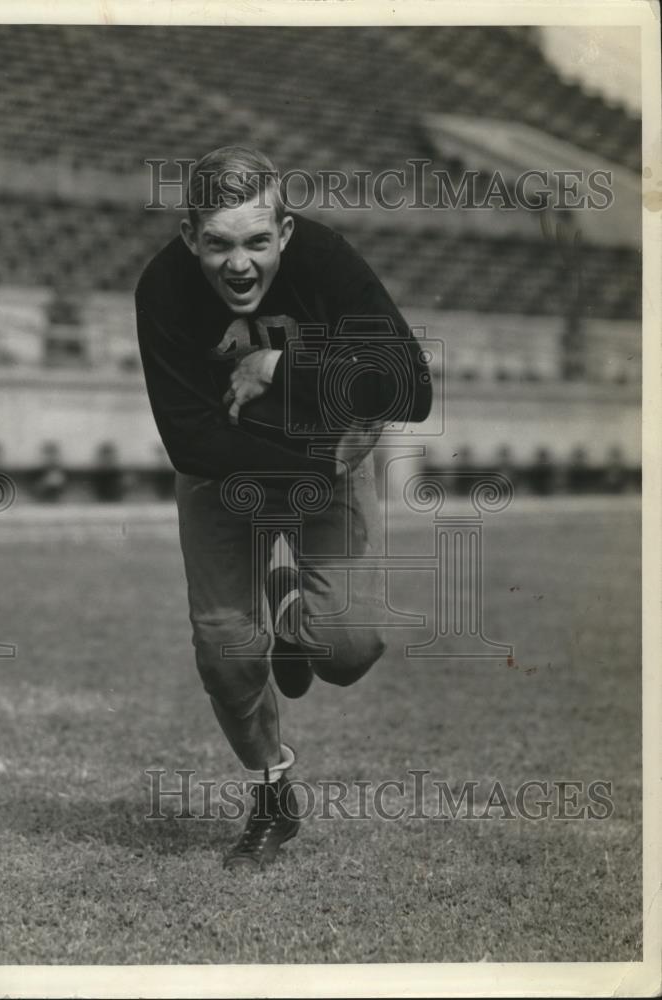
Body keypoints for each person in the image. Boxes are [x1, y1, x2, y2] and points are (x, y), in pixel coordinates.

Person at [135, 146, 431, 871]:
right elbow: (189, 442)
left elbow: (411, 387)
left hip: (324, 467)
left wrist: (281, 366)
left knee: (347, 649)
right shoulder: (163, 290)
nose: (240, 265)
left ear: (286, 232)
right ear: (187, 236)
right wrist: (316, 453)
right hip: (229, 473)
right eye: (219, 244)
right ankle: (273, 795)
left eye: (257, 242)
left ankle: (295, 618)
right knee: (225, 649)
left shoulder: (325, 260)